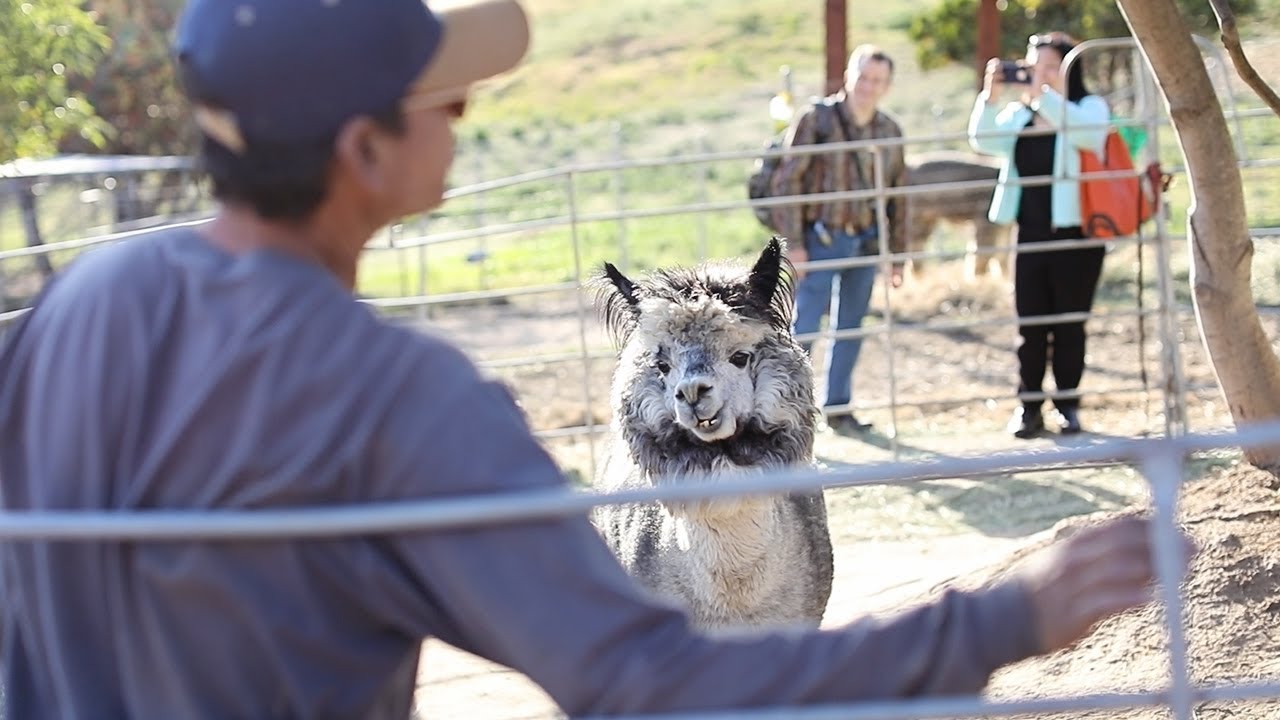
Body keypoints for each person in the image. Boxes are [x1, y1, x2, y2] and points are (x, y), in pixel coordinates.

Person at [0, 2, 1193, 717]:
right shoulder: (401, 404)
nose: (462, 111)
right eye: (438, 99)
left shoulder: (79, 307)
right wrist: (999, 622)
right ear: (361, 149)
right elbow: (644, 683)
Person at [967, 32, 1111, 439]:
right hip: (1029, 233)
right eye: (1034, 67)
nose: (1040, 74)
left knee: (1070, 324)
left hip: (1078, 236)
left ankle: (1068, 406)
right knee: (1029, 325)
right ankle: (1028, 408)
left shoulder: (1088, 107)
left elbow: (1090, 136)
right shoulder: (1021, 114)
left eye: (1050, 67)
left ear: (1070, 68)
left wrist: (1043, 97)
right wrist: (991, 98)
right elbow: (983, 140)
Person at [771, 44, 909, 435]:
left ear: (887, 86)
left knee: (850, 327)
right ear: (849, 76)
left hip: (865, 239)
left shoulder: (889, 131)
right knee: (804, 327)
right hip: (821, 239)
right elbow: (787, 181)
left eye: (878, 80)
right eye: (863, 77)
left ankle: (839, 407)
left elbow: (898, 197)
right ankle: (785, 411)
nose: (869, 86)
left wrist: (897, 255)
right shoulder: (818, 120)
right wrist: (794, 243)